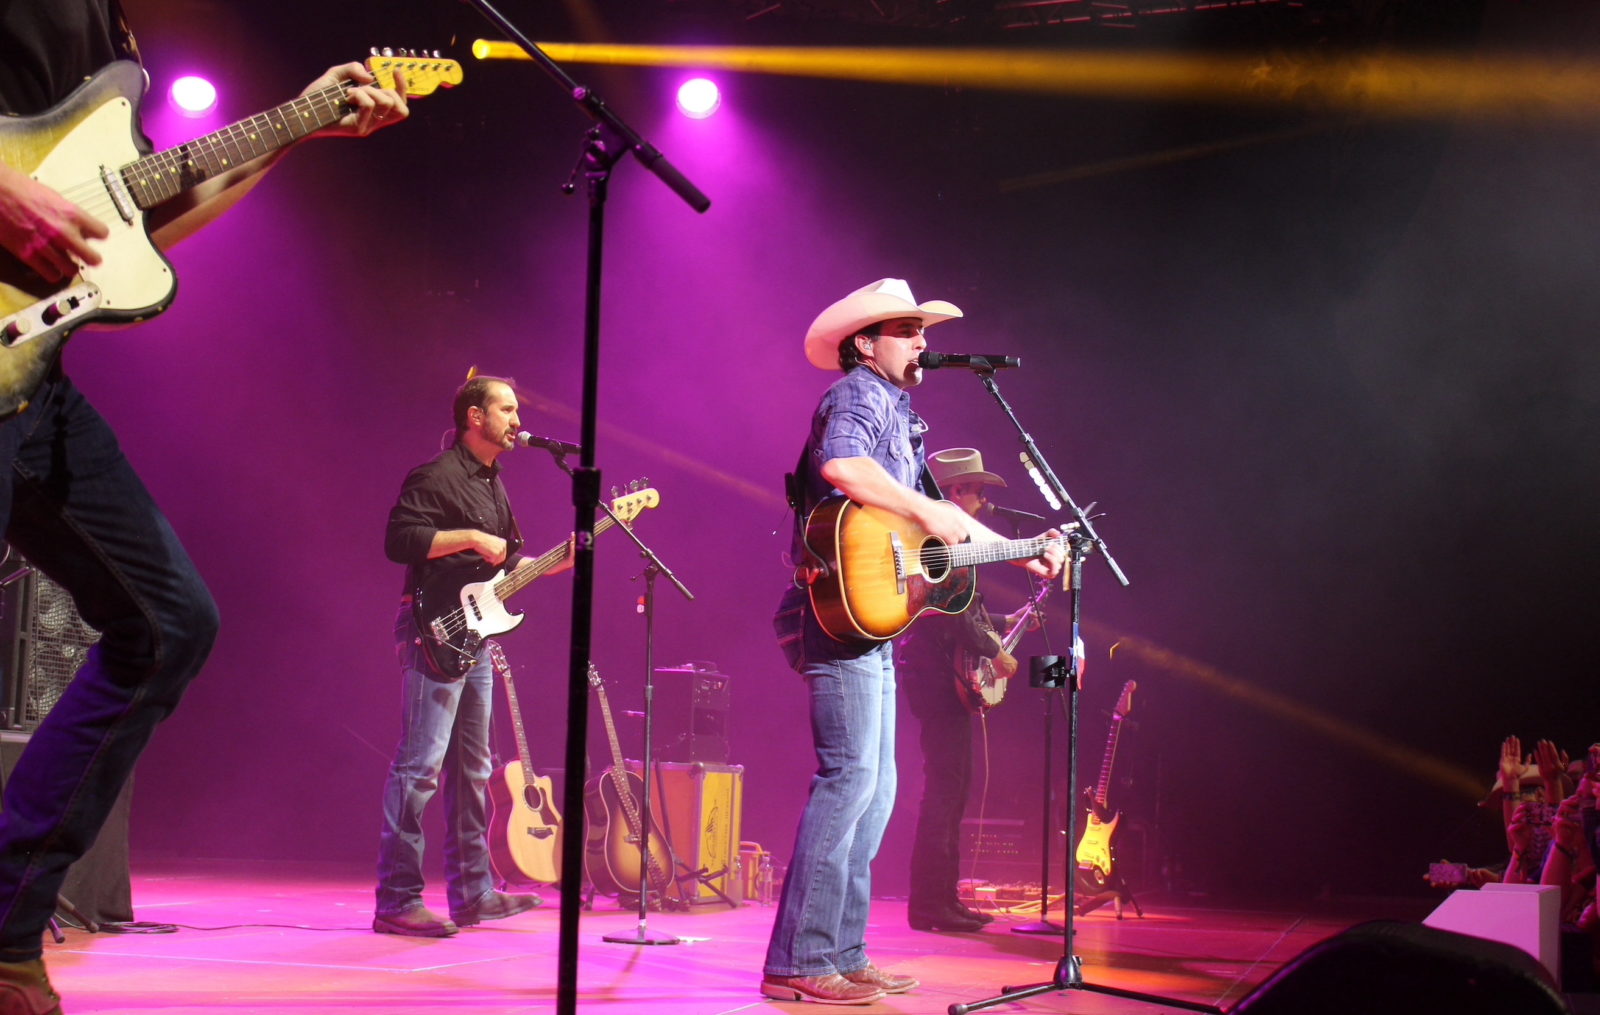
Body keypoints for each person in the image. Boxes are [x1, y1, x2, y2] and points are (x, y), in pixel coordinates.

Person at [0, 4, 408, 1011]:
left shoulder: (116, 36)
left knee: (169, 620)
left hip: (30, 369)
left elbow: (144, 221)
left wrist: (294, 125)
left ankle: (6, 924)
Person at [761, 279, 1064, 1005]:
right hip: (839, 613)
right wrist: (927, 506)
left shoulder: (900, 414)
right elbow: (843, 468)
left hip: (876, 618)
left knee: (878, 787)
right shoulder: (859, 396)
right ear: (866, 343)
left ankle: (843, 950)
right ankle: (799, 959)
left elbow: (943, 529)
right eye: (909, 329)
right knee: (850, 781)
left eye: (923, 330)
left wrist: (1024, 550)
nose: (924, 342)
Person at [374, 375, 569, 937]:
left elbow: (508, 568)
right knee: (420, 767)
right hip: (430, 631)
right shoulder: (435, 476)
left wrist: (566, 557)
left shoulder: (494, 484)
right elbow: (398, 540)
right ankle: (397, 900)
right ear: (475, 417)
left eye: (515, 409)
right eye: (505, 408)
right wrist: (467, 538)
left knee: (473, 769)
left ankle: (474, 894)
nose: (516, 418)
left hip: (476, 638)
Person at [897, 447, 1038, 932]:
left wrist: (1008, 623)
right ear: (956, 492)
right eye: (978, 491)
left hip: (941, 676)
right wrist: (995, 651)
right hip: (936, 679)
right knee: (944, 791)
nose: (984, 501)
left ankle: (943, 900)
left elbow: (969, 610)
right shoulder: (938, 537)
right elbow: (949, 610)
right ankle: (930, 905)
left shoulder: (955, 537)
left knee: (951, 792)